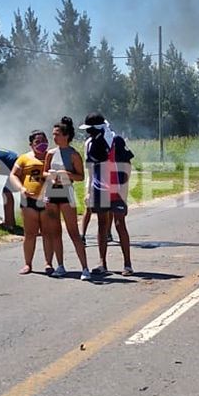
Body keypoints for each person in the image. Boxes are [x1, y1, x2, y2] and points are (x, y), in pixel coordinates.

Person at [82, 113, 135, 275]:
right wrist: (88, 191)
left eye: (90, 129)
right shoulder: (89, 143)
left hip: (116, 188)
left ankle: (127, 264)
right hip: (99, 189)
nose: (88, 132)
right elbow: (90, 170)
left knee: (120, 225)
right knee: (102, 225)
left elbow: (127, 166)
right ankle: (102, 263)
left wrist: (124, 192)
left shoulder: (116, 141)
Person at [43, 117, 92, 281]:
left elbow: (80, 176)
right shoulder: (50, 153)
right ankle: (60, 265)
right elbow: (44, 172)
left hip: (67, 192)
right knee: (55, 231)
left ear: (65, 136)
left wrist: (66, 174)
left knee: (73, 231)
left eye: (57, 134)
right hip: (52, 191)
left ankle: (85, 268)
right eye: (53, 134)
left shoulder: (73, 155)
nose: (54, 137)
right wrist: (50, 175)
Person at [11, 130, 54, 275]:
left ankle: (49, 263)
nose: (42, 144)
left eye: (44, 140)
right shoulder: (24, 158)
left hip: (48, 200)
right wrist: (21, 188)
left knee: (48, 233)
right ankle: (27, 264)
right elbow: (14, 175)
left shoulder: (52, 157)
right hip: (28, 200)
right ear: (31, 144)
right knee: (30, 234)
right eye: (37, 142)